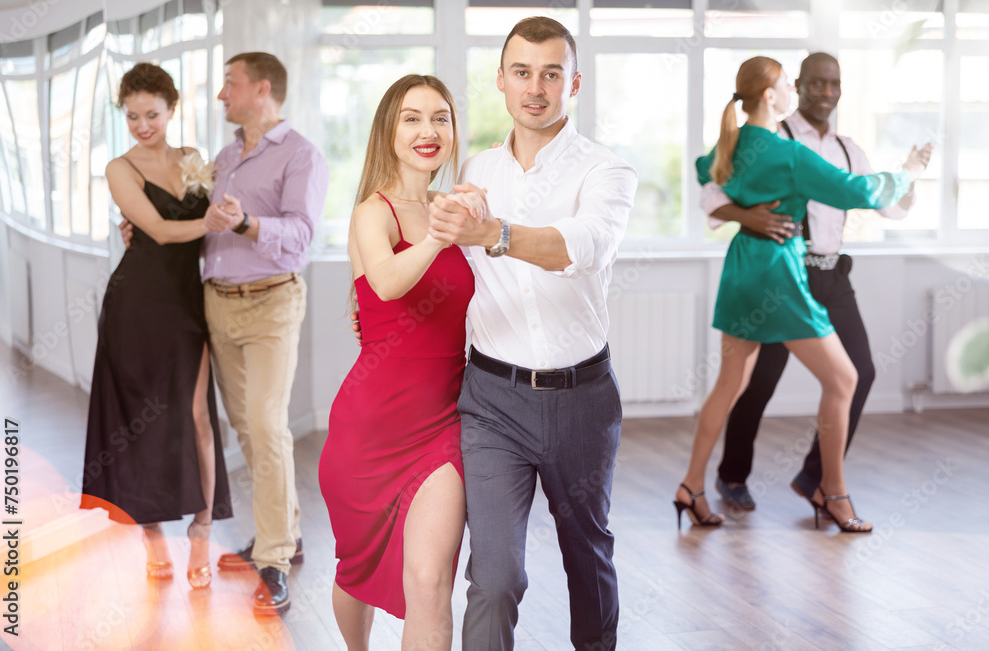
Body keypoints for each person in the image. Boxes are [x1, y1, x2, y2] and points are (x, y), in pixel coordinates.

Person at [427, 17, 637, 651]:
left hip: (582, 400)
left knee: (587, 556)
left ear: (573, 83)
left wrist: (496, 234)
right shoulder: (473, 168)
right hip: (491, 404)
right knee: (493, 578)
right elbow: (430, 251)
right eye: (522, 72)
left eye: (551, 74)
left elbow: (586, 246)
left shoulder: (606, 170)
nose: (536, 88)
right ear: (501, 80)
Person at [675, 56, 929, 533]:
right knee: (844, 380)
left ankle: (691, 487)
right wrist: (909, 171)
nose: (798, 95)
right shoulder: (787, 154)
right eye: (790, 88)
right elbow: (861, 193)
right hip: (779, 276)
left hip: (742, 268)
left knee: (730, 384)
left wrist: (741, 214)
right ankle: (832, 493)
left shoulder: (732, 142)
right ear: (771, 95)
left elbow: (703, 169)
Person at [120, 52, 327, 615]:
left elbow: (303, 234)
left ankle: (276, 560)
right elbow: (198, 225)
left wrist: (246, 222)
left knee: (266, 423)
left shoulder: (302, 154)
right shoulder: (226, 156)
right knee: (247, 428)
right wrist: (139, 224)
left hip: (272, 303)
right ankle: (281, 532)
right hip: (217, 304)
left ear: (261, 90)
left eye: (229, 85)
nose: (220, 95)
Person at [319, 74, 476, 651]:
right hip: (368, 426)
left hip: (442, 425)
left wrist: (469, 218)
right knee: (354, 572)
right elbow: (386, 284)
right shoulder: (373, 212)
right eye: (412, 118)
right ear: (389, 131)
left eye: (440, 118)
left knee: (431, 585)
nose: (427, 130)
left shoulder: (455, 209)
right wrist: (442, 234)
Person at [81, 62, 232, 589]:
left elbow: (216, 225)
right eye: (132, 116)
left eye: (152, 114)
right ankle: (152, 537)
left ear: (171, 110)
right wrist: (207, 222)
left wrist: (221, 222)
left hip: (187, 304)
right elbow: (162, 232)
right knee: (138, 424)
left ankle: (202, 531)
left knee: (196, 417)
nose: (143, 125)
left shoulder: (193, 159)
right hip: (136, 305)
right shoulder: (119, 168)